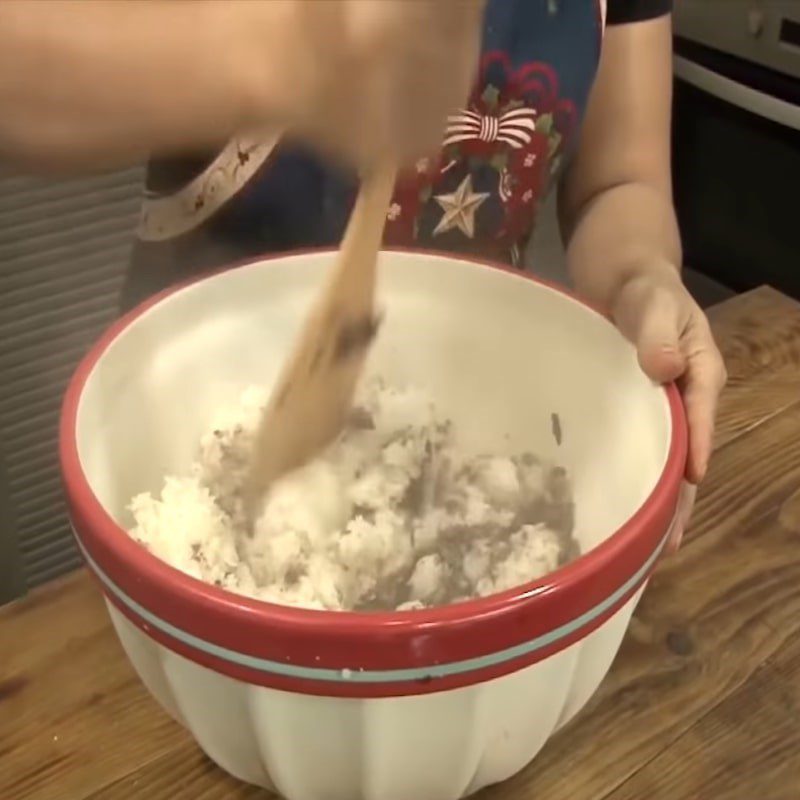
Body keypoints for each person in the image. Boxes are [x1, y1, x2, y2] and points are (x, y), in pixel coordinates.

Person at [0, 0, 726, 548]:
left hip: (466, 429)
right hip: (197, 450)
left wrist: (642, 278)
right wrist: (290, 49)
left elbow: (619, 182)